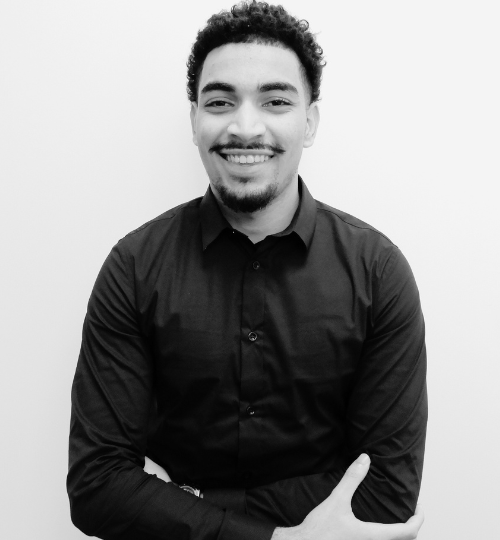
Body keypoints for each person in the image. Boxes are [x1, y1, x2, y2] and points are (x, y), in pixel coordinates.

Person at [67, 2, 427, 539]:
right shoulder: (134, 267)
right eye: (220, 102)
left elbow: (386, 494)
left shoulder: (378, 273)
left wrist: (187, 500)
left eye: (275, 101)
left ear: (310, 122)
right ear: (195, 120)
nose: (245, 127)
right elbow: (96, 486)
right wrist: (279, 537)